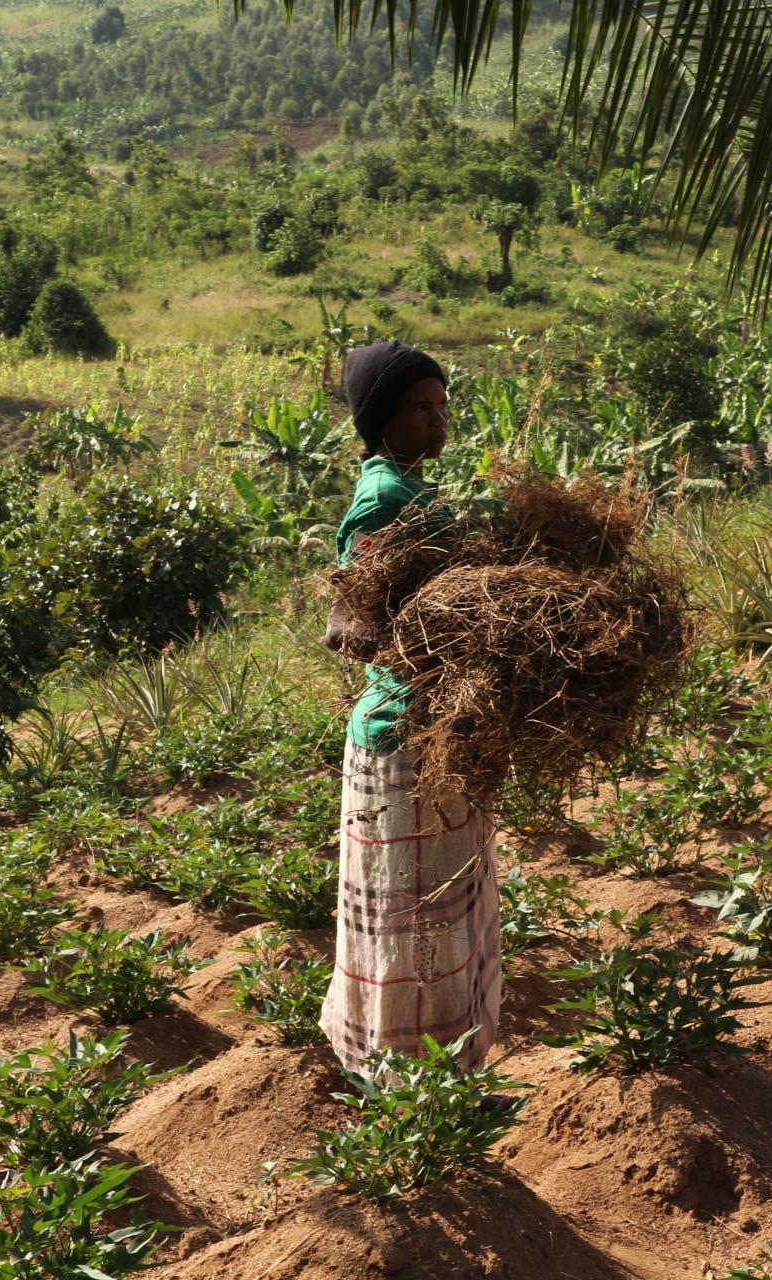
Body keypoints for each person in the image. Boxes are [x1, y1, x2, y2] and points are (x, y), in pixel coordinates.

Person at [318, 339, 503, 1079]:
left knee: (441, 922)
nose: (439, 419)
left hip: (443, 732)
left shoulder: (416, 494)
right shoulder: (383, 500)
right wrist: (439, 642)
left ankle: (441, 1084)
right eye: (421, 408)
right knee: (416, 929)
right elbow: (346, 627)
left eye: (442, 405)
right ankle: (404, 1088)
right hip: (407, 740)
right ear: (380, 417)